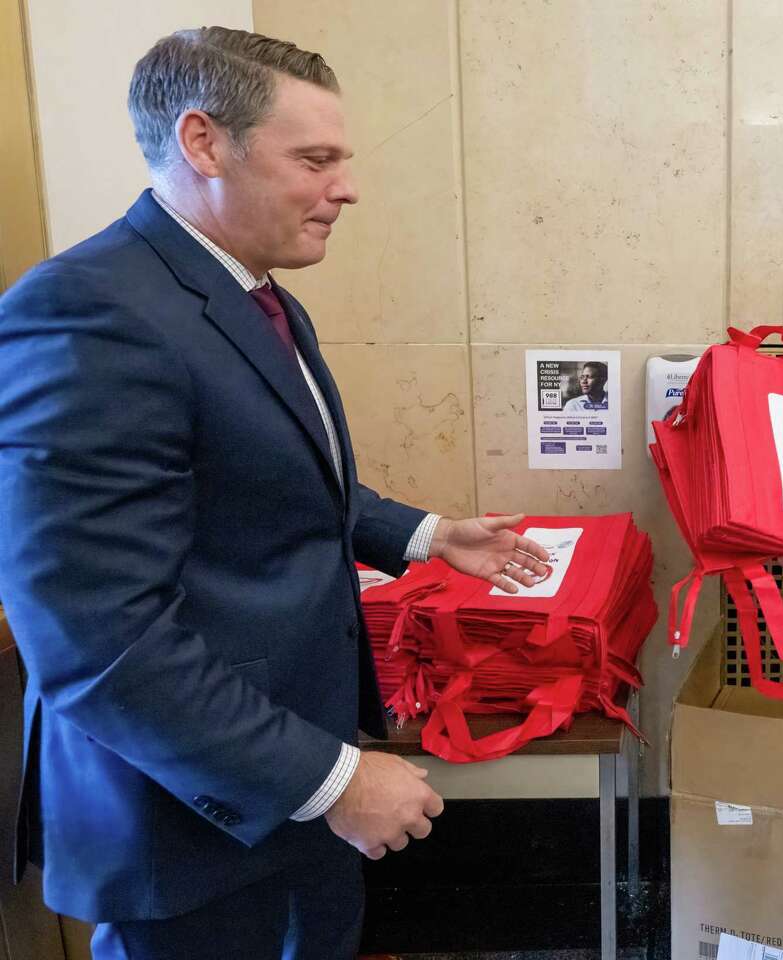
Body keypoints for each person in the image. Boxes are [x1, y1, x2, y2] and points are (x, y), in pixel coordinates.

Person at [0, 26, 550, 960]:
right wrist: (331, 781)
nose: (348, 186)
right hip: (190, 821)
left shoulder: (253, 290)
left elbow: (264, 482)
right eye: (316, 159)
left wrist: (423, 536)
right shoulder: (90, 312)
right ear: (204, 143)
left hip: (289, 788)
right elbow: (97, 640)